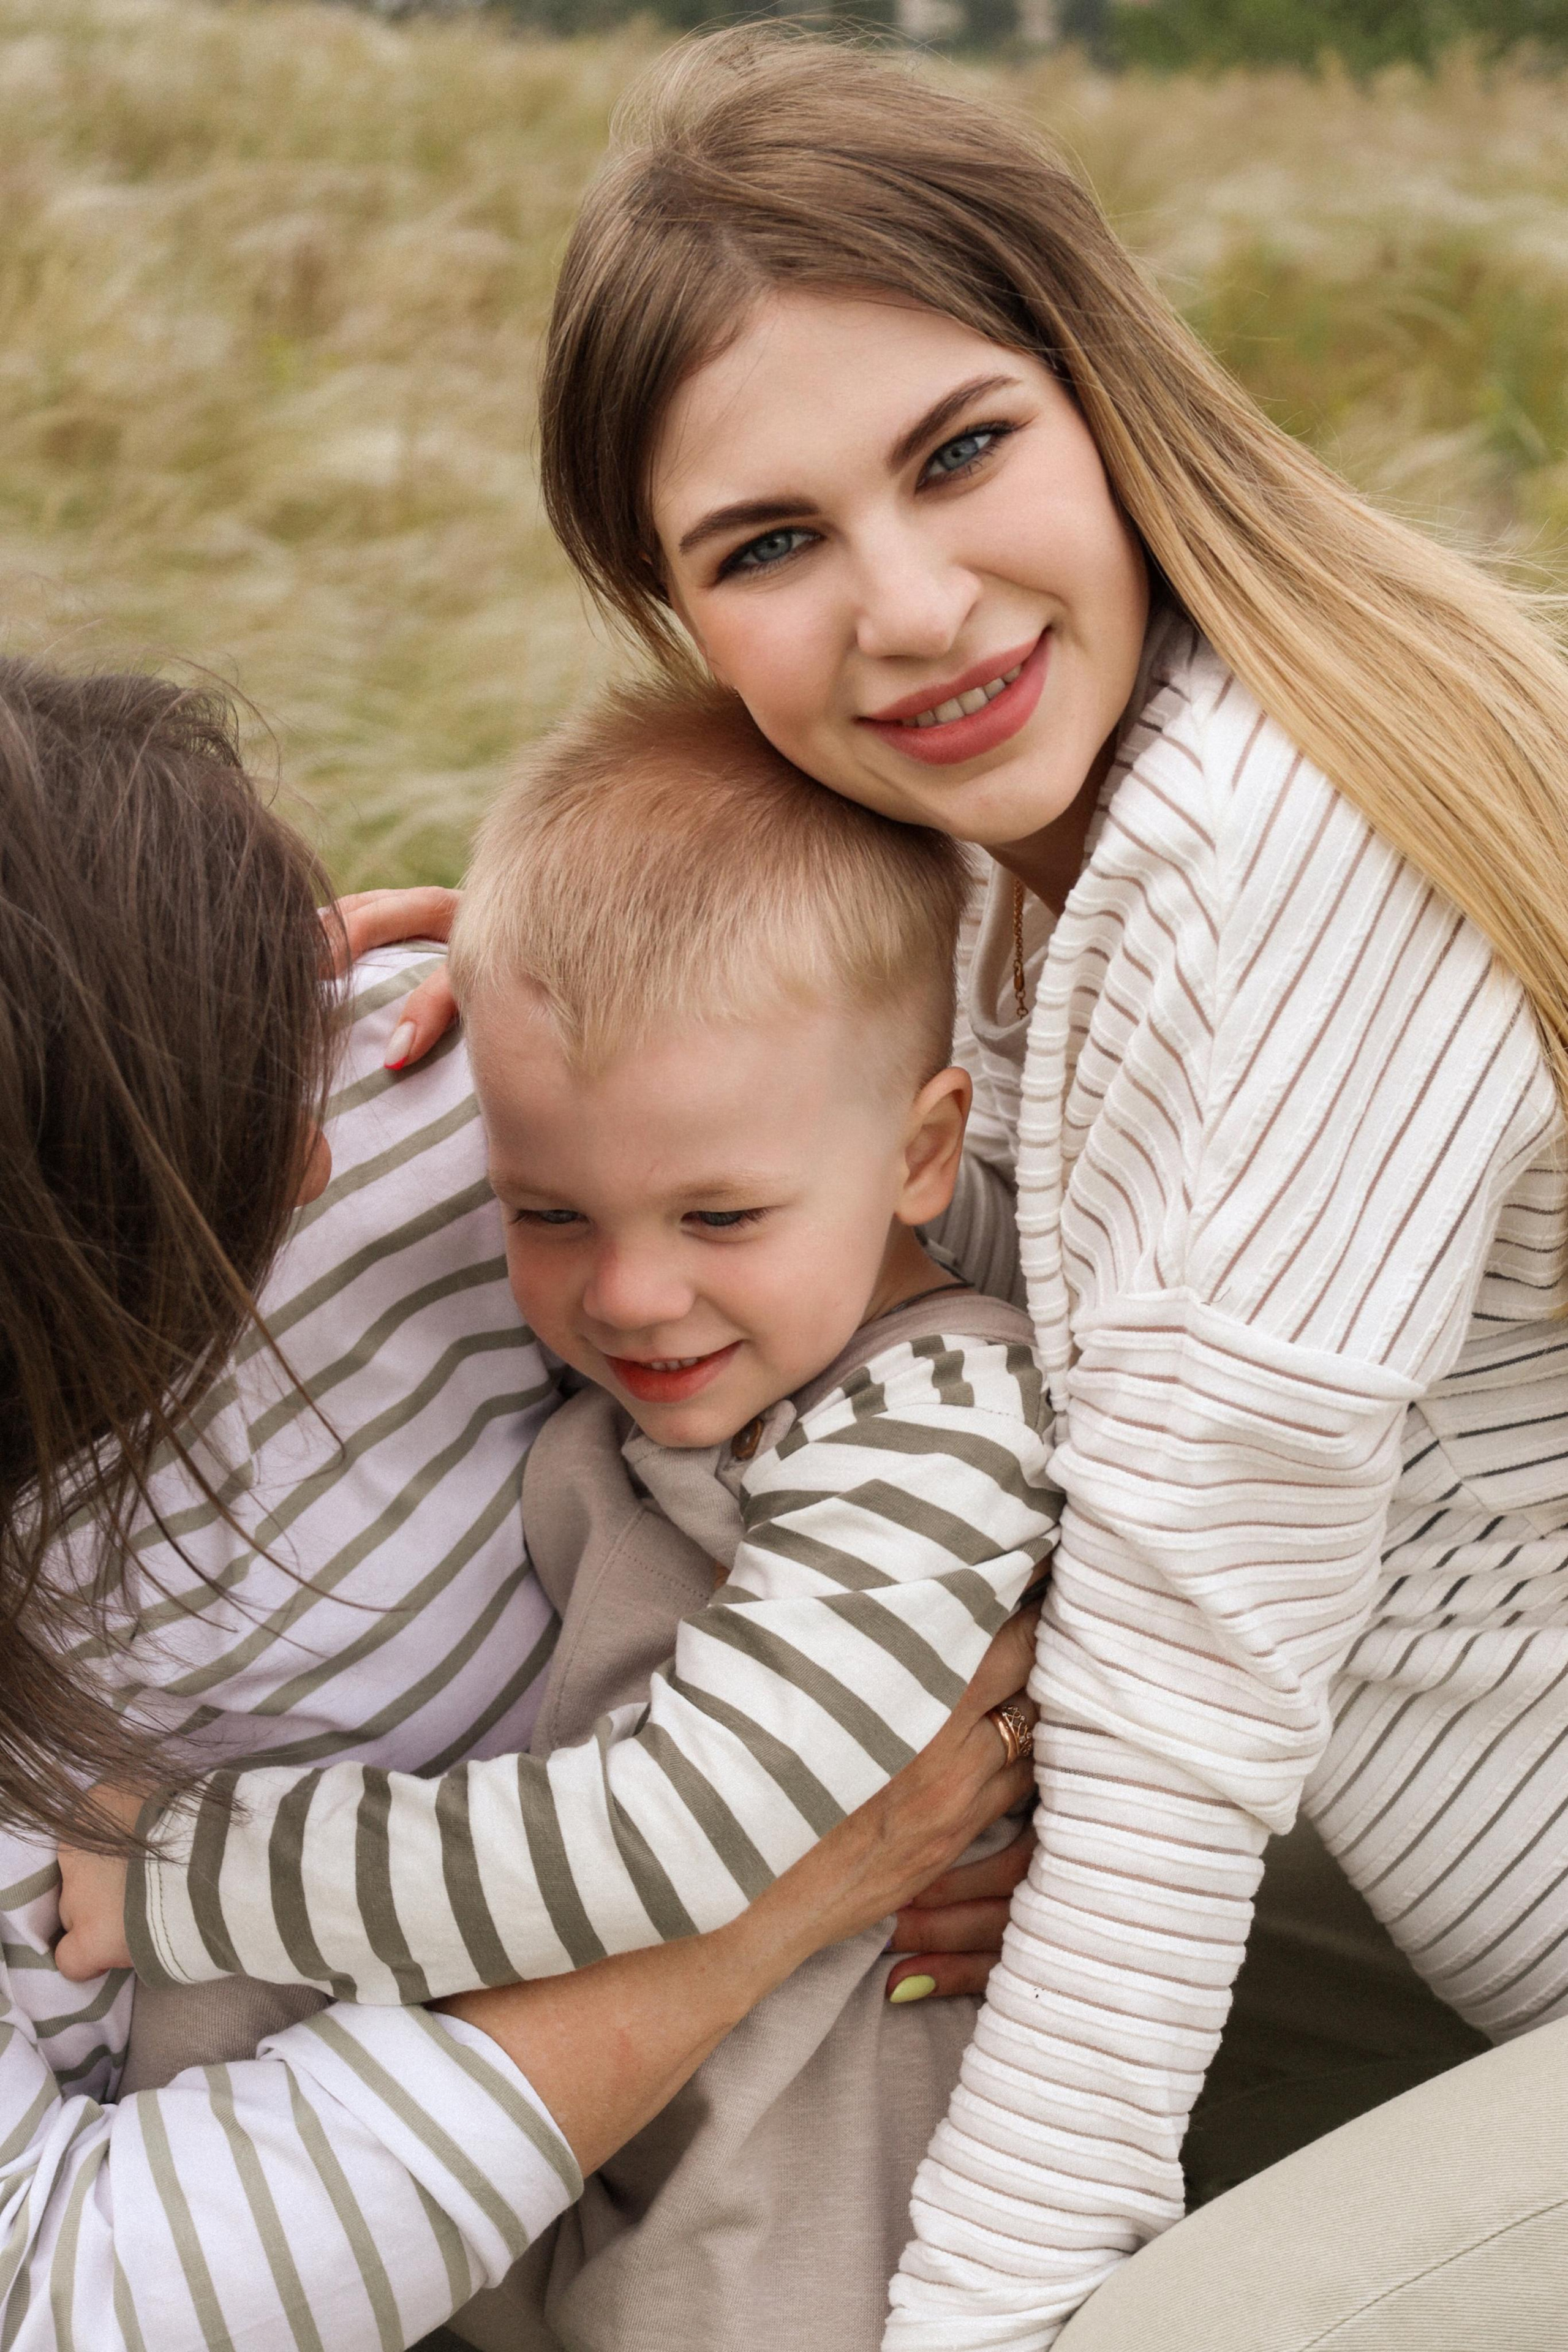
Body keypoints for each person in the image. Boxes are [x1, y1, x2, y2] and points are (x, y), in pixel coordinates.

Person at [355, 26, 1568, 2349]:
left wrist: (981, 2325)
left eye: (963, 452)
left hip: (1430, 1856)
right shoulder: (1009, 863)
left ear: (1109, 396)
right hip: (1445, 1862)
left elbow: (1186, 1688)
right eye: (774, 545)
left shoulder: (1277, 855)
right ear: (678, 620)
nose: (909, 611)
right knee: (832, 1993)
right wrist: (564, 961)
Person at [0, 650, 1036, 2352]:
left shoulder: (908, 1391)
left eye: (713, 1219)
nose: (627, 1300)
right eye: (543, 1212)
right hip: (470, 2079)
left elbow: (697, 1815)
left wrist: (621, 986)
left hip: (786, 2166)